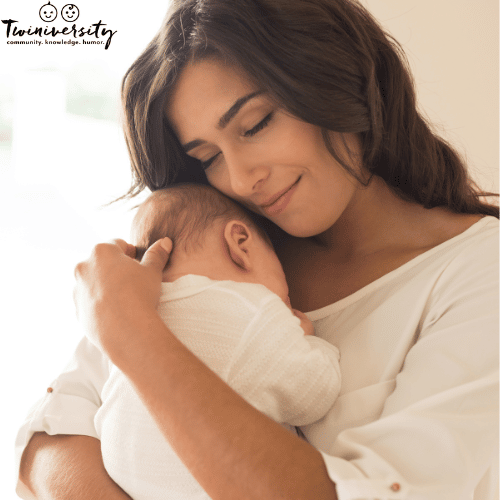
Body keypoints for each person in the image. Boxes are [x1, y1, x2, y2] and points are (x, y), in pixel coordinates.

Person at [16, 1, 498, 499]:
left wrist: (132, 334)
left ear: (336, 78)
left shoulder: (478, 272)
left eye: (256, 124)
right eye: (208, 157)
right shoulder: (218, 251)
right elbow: (46, 444)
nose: (242, 179)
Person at [95, 183, 341, 499]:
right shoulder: (252, 309)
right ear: (241, 243)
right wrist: (310, 341)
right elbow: (314, 394)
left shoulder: (133, 313)